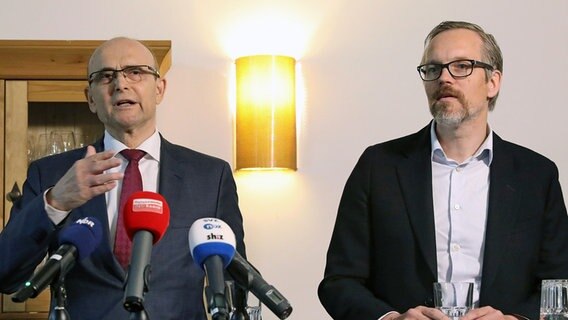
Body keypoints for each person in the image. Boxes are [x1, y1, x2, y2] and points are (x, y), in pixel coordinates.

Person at [318, 21, 568, 320]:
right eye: (433, 69)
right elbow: (339, 282)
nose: (445, 78)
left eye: (461, 66)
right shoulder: (378, 167)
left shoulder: (536, 175)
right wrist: (392, 319)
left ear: (493, 82)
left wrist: (516, 319)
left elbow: (560, 282)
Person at [0, 37, 246, 320]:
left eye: (135, 72)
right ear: (91, 98)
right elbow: (6, 276)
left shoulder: (210, 176)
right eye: (106, 76)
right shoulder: (52, 174)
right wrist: (54, 203)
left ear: (159, 89)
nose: (121, 84)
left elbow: (234, 282)